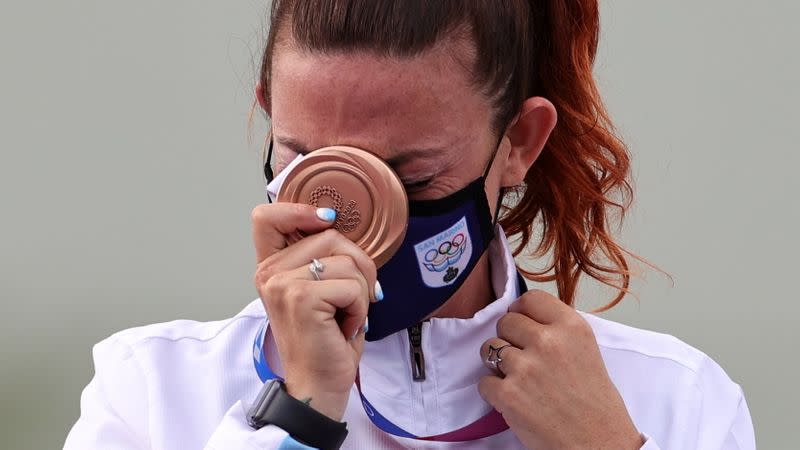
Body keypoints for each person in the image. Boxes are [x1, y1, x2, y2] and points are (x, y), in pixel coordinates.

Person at [64, 1, 756, 449]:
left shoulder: (670, 397)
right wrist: (298, 413)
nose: (351, 220)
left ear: (519, 142)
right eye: (309, 160)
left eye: (413, 178)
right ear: (267, 114)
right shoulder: (151, 387)